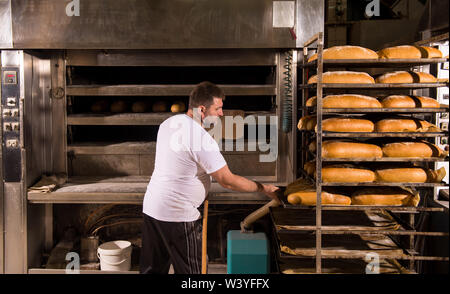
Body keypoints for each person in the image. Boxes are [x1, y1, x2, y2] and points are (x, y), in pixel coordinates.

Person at [140, 81, 279, 274]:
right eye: (218, 108)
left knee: (151, 271)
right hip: (178, 216)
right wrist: (264, 188)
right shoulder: (200, 137)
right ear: (202, 109)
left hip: (152, 209)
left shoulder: (169, 123)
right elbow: (227, 180)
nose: (222, 114)